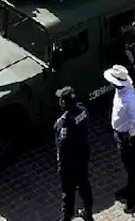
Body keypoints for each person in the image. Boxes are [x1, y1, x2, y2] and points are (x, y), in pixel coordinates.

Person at [105, 64, 135, 212]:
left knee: (131, 166)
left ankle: (134, 196)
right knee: (127, 165)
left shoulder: (129, 98)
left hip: (127, 137)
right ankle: (129, 188)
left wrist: (130, 135)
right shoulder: (120, 92)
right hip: (121, 133)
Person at [54, 87, 93, 221]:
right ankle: (88, 212)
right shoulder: (83, 111)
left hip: (69, 163)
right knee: (84, 184)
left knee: (68, 191)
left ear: (64, 103)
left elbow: (63, 146)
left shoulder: (63, 123)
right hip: (83, 154)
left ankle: (66, 217)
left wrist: (61, 166)